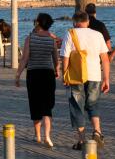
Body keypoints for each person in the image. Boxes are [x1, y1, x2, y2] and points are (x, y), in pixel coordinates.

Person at [61, 11, 110, 151]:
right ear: (88, 21)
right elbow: (105, 59)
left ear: (74, 22)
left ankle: (82, 141)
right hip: (95, 75)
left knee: (77, 107)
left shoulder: (70, 34)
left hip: (76, 76)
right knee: (93, 105)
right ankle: (97, 131)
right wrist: (106, 78)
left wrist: (65, 75)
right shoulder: (98, 34)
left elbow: (65, 57)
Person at [16, 13, 60, 148]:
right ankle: (47, 136)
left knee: (35, 104)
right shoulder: (52, 40)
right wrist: (56, 70)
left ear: (39, 23)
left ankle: (38, 136)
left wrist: (18, 75)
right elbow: (55, 58)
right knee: (47, 106)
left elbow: (25, 58)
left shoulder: (30, 38)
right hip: (48, 74)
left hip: (34, 74)